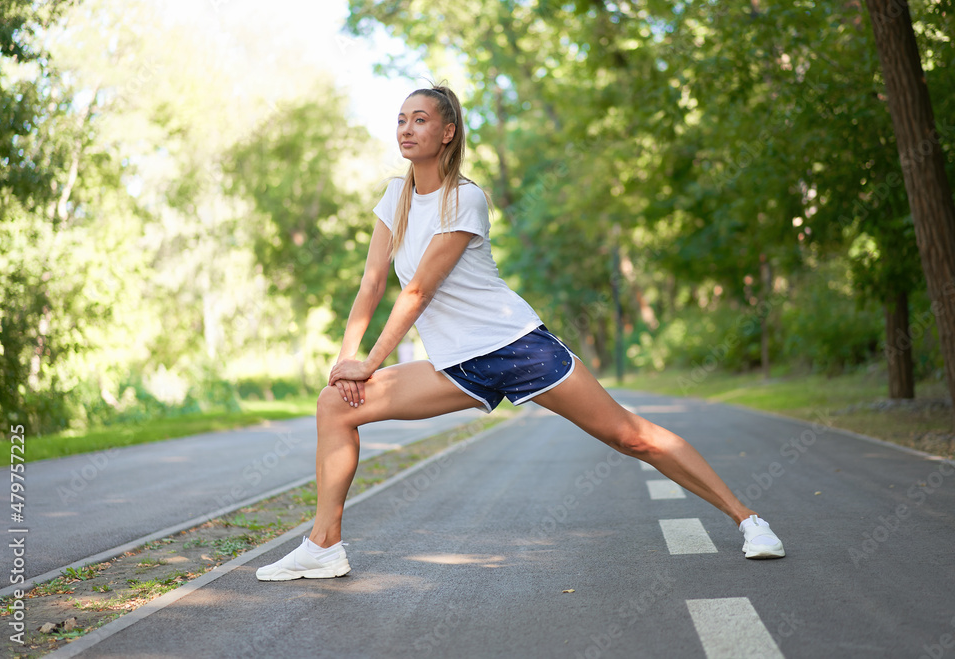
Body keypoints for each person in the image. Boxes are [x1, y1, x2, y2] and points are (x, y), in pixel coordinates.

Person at [255, 85, 784, 581]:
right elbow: (371, 283)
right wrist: (346, 362)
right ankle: (324, 547)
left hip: (515, 346)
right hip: (455, 364)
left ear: (448, 132)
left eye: (421, 119)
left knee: (629, 435)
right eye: (400, 120)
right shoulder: (395, 196)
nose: (406, 129)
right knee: (335, 404)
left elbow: (417, 291)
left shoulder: (466, 199)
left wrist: (369, 363)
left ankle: (748, 519)